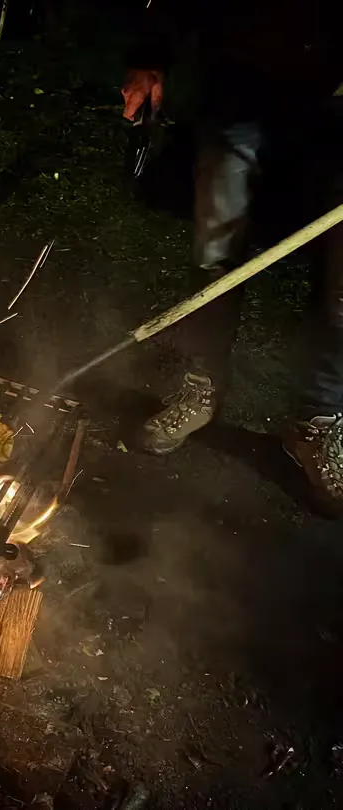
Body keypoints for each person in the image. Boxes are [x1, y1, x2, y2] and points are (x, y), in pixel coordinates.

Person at [121, 0, 343, 513]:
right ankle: (200, 390)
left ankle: (316, 422)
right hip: (243, 79)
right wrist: (150, 54)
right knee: (215, 255)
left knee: (342, 292)